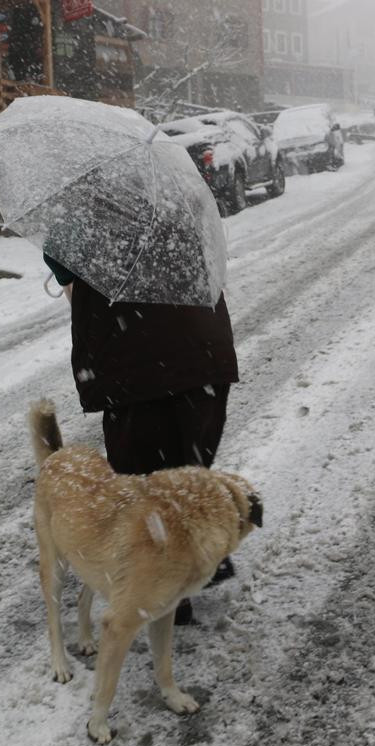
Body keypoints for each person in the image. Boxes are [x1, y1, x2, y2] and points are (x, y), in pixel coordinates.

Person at [44, 245, 240, 626]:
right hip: (204, 350)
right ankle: (200, 551)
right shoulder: (175, 210)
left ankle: (168, 588)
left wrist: (76, 281)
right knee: (188, 468)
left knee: (142, 484)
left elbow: (61, 264)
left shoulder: (83, 225)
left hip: (134, 364)